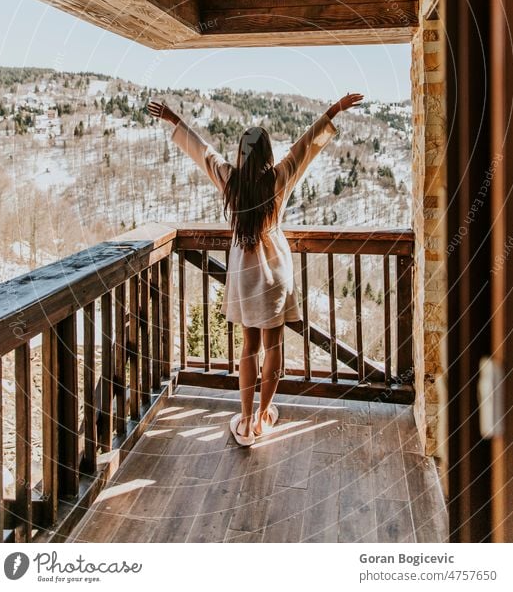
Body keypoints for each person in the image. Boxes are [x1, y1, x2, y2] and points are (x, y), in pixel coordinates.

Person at [147, 92, 363, 446]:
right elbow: (306, 145)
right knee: (273, 344)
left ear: (241, 154)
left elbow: (203, 151)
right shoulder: (279, 179)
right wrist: (333, 109)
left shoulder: (230, 181)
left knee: (249, 346)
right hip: (275, 271)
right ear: (267, 153)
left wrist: (174, 119)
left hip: (244, 274)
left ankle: (246, 421)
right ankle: (264, 415)